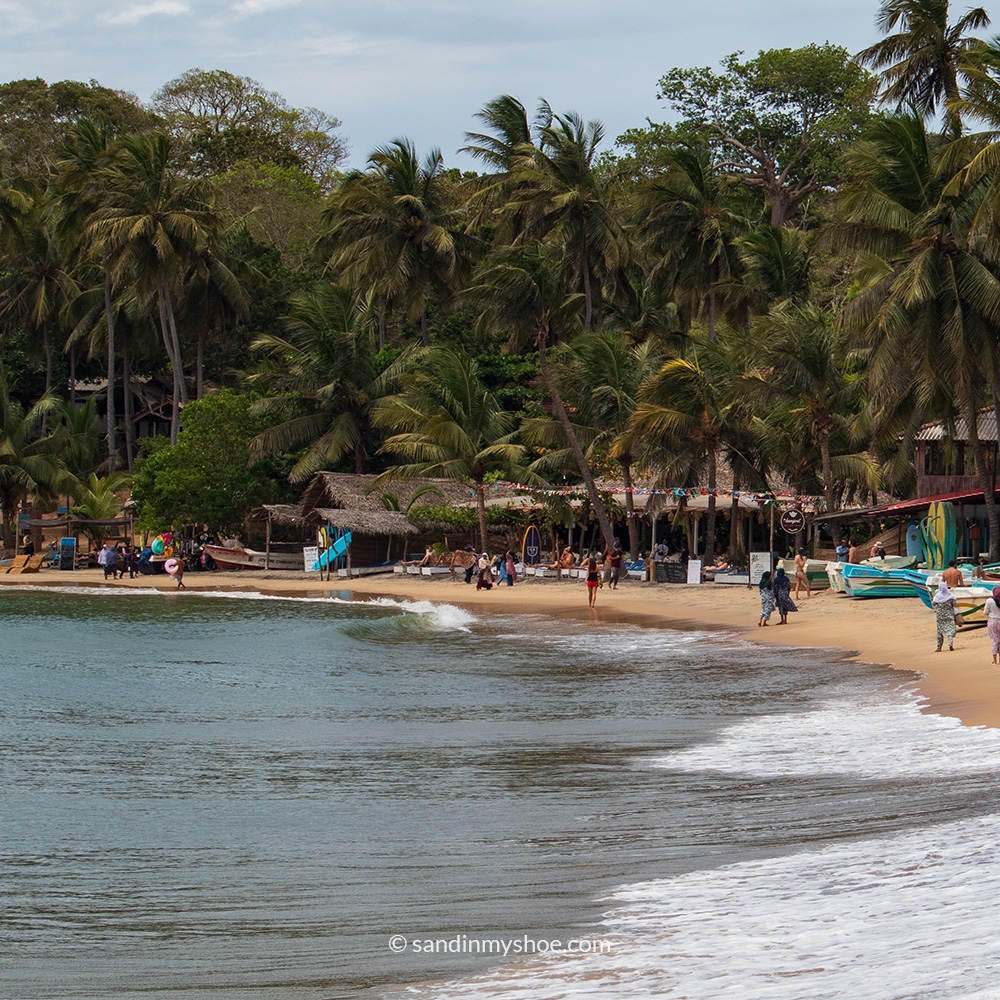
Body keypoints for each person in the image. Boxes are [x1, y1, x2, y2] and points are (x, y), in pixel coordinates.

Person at [931, 580, 962, 651]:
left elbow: (933, 604)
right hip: (949, 615)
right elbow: (954, 605)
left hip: (940, 616)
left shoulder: (938, 596)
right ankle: (950, 643)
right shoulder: (950, 595)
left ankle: (939, 647)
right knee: (950, 629)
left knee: (940, 630)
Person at [986, 586, 1000, 664]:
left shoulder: (990, 601)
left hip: (993, 621)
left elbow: (985, 612)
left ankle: (995, 660)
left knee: (994, 640)